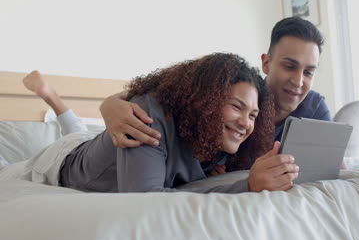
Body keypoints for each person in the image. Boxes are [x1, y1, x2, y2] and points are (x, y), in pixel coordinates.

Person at [99, 17, 359, 199]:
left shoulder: (314, 107)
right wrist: (110, 104)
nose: (299, 81)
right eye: (290, 66)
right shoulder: (226, 93)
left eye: (309, 71)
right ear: (266, 62)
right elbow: (159, 95)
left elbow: (333, 169)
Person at [18, 53, 300, 193]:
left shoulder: (218, 135)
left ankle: (53, 99)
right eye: (237, 107)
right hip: (61, 162)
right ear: (206, 101)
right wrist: (245, 187)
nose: (245, 123)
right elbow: (146, 201)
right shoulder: (146, 119)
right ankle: (52, 98)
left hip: (95, 145)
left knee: (82, 133)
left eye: (253, 115)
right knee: (14, 167)